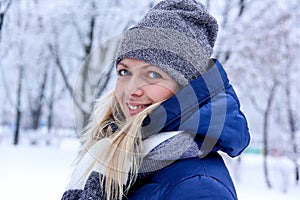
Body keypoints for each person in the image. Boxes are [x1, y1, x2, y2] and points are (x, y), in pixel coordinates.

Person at [61, 0, 250, 199]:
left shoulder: (200, 187)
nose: (131, 89)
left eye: (153, 75)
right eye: (124, 71)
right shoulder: (124, 155)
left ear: (185, 87)